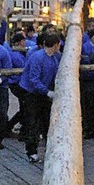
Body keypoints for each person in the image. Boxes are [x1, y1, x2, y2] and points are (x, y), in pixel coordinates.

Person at [19, 31, 61, 162]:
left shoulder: (55, 57)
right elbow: (33, 79)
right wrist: (47, 91)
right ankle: (31, 151)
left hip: (42, 92)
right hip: (31, 93)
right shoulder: (37, 58)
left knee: (46, 121)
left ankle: (48, 149)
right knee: (32, 122)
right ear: (55, 45)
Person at [80, 28, 94, 140]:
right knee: (87, 106)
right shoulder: (85, 47)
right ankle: (88, 129)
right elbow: (82, 60)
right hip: (88, 80)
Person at [6, 31, 28, 138]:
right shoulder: (16, 54)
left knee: (24, 106)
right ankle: (10, 126)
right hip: (17, 83)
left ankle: (16, 127)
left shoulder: (19, 53)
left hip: (18, 82)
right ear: (19, 42)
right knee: (25, 107)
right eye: (23, 40)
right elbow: (23, 66)